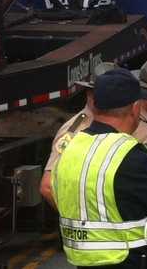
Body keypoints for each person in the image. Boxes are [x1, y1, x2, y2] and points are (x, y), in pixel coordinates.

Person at [53, 68, 147, 267]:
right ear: (135, 108)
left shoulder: (71, 148)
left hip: (84, 262)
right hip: (131, 260)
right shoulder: (127, 154)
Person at [40, 60, 119, 206]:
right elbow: (48, 187)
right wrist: (75, 219)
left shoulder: (122, 121)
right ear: (90, 94)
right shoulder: (74, 130)